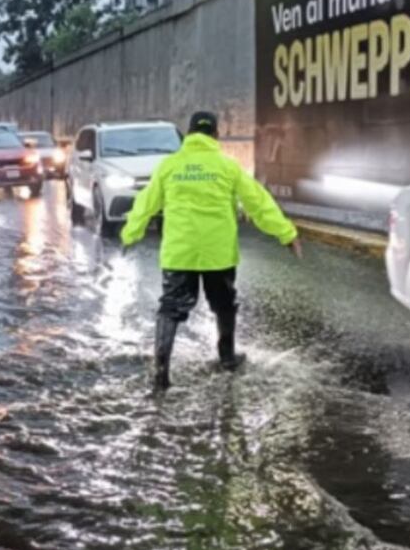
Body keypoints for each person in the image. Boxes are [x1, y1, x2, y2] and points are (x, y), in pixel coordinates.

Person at [121, 111, 303, 390]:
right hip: (219, 253)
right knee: (224, 304)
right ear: (216, 135)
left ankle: (160, 372)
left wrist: (130, 233)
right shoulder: (227, 166)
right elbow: (258, 202)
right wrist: (286, 234)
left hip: (180, 253)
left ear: (189, 134)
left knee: (171, 308)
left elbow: (147, 203)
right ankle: (227, 358)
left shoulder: (169, 166)